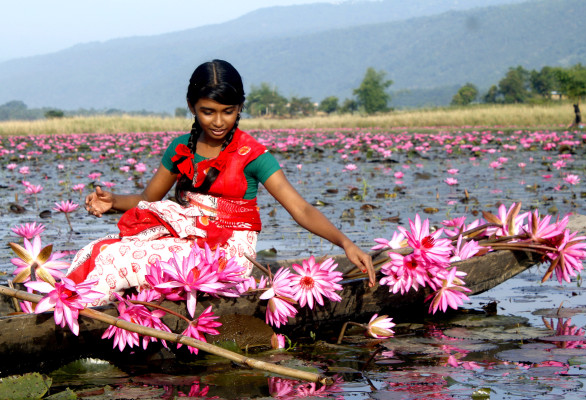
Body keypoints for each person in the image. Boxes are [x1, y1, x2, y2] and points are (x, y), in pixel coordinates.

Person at [67, 59, 375, 305]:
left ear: (240, 107)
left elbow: (301, 209)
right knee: (97, 249)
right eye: (208, 112)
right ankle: (73, 305)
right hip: (187, 239)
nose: (218, 121)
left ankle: (76, 312)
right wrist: (112, 203)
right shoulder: (181, 148)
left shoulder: (253, 155)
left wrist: (345, 243)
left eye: (228, 112)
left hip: (227, 254)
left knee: (115, 258)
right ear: (192, 107)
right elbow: (148, 199)